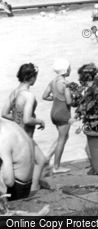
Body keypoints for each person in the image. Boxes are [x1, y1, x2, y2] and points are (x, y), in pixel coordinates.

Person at [1, 64, 48, 192]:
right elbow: (27, 119)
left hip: (17, 134)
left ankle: (32, 186)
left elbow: (4, 113)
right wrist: (40, 121)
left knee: (40, 160)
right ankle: (33, 189)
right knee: (41, 161)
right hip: (26, 135)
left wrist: (17, 120)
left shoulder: (15, 92)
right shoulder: (28, 96)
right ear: (32, 77)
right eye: (36, 76)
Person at [41, 59, 73, 173]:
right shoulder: (65, 83)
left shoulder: (53, 81)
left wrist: (55, 98)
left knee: (62, 137)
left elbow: (44, 96)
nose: (70, 69)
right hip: (63, 112)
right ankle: (56, 166)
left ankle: (47, 158)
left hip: (54, 112)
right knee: (62, 139)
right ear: (65, 70)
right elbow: (69, 102)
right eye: (69, 67)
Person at [0, 115, 36, 201]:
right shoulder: (12, 125)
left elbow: (9, 181)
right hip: (26, 185)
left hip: (16, 191)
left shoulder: (3, 139)